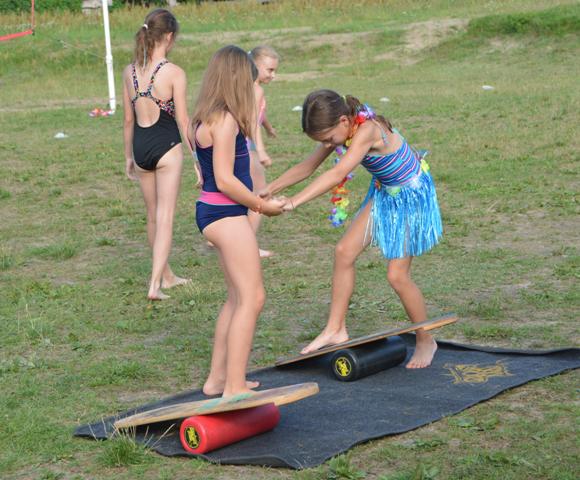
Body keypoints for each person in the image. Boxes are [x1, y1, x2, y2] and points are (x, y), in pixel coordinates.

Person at [263, 89, 443, 368]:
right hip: (386, 191)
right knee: (344, 251)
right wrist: (268, 189)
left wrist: (293, 202)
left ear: (344, 121)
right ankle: (335, 329)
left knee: (397, 276)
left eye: (327, 139)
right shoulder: (342, 127)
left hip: (410, 196)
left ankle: (425, 339)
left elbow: (337, 173)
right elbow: (307, 167)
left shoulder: (367, 130)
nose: (327, 145)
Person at [188, 46, 285, 396]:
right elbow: (225, 179)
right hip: (225, 214)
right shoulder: (225, 120)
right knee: (253, 297)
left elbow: (205, 173)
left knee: (236, 298)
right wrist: (261, 207)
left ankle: (218, 379)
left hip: (212, 212)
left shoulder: (202, 118)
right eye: (247, 80)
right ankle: (234, 387)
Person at [122, 9, 200, 300]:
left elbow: (128, 120)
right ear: (169, 36)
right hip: (167, 148)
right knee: (165, 217)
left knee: (153, 217)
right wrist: (197, 160)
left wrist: (128, 156)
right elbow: (183, 120)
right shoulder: (174, 72)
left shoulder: (129, 72)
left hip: (141, 147)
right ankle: (154, 285)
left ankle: (166, 276)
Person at [247, 46, 280, 258]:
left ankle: (216, 237)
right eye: (269, 70)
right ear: (255, 66)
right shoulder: (256, 90)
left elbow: (259, 114)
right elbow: (252, 122)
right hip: (247, 146)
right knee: (260, 193)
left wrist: (268, 127)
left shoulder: (245, 86)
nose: (273, 75)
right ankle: (248, 245)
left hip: (235, 145)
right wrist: (260, 151)